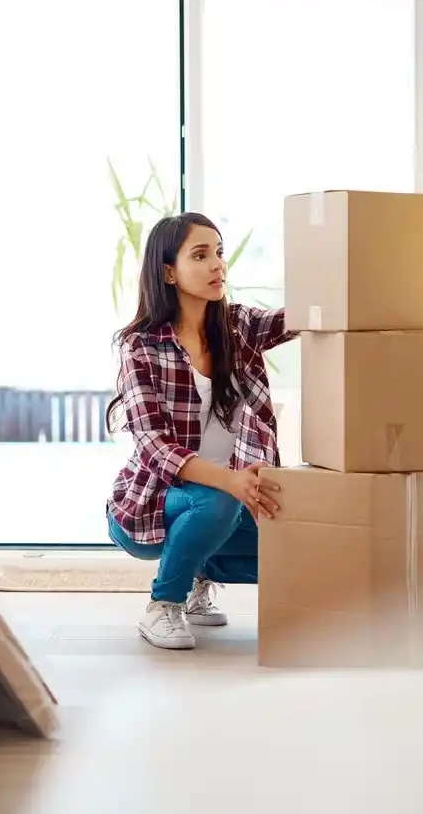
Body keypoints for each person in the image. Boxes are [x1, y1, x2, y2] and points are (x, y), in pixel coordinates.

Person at [105, 212, 299, 650]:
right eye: (200, 255)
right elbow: (154, 447)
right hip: (151, 504)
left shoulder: (238, 327)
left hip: (228, 500)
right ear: (168, 272)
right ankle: (163, 604)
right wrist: (232, 480)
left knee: (298, 547)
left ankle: (198, 572)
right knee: (217, 500)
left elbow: (304, 316)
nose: (217, 265)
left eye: (219, 253)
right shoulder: (141, 345)